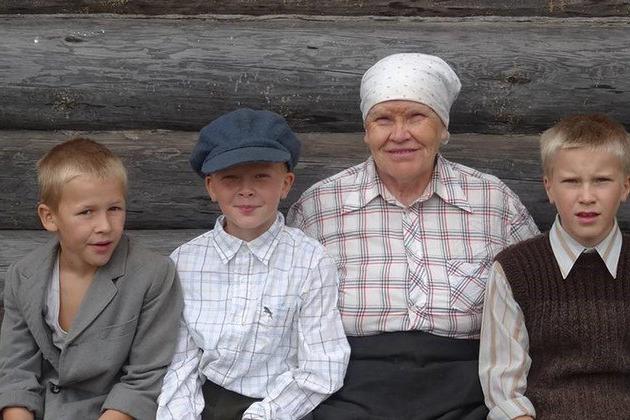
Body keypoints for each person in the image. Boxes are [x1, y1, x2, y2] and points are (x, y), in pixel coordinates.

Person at [287, 53, 539, 419]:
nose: (399, 134)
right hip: (345, 394)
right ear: (366, 132)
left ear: (443, 128)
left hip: (469, 395)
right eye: (383, 120)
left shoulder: (492, 201)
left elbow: (538, 303)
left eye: (416, 117)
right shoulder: (320, 206)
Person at [156, 108, 350, 420]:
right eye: (230, 178)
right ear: (211, 187)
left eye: (261, 176)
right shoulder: (185, 262)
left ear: (285, 184)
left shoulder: (310, 261)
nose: (246, 190)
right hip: (205, 403)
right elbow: (180, 361)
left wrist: (262, 415)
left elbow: (323, 366)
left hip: (283, 405)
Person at [0, 138, 183, 420]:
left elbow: (144, 379)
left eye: (115, 209)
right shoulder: (23, 276)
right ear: (49, 217)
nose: (105, 226)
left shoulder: (153, 275)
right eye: (87, 212)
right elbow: (17, 370)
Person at [479, 114, 630, 419]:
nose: (586, 197)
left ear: (625, 187)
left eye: (601, 181)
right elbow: (504, 390)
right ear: (549, 188)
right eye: (571, 181)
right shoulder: (515, 270)